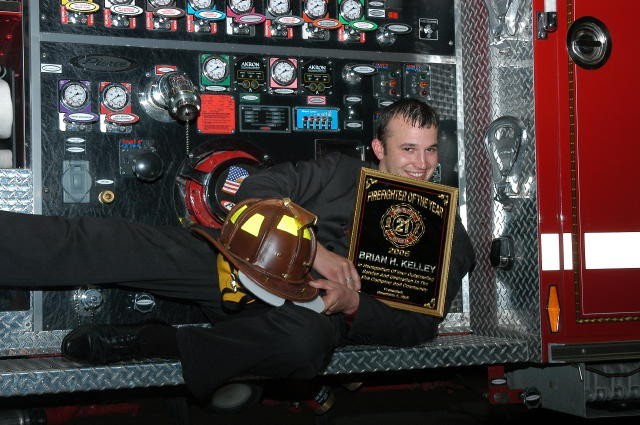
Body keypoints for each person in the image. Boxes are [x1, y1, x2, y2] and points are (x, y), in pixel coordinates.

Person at [0, 99, 475, 401]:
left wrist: (353, 306)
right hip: (243, 268)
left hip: (309, 315)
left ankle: (153, 341)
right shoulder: (337, 173)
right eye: (409, 149)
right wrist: (309, 250)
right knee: (107, 240)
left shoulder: (446, 229)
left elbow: (419, 327)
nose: (421, 164)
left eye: (431, 151)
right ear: (378, 148)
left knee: (303, 347)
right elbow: (256, 187)